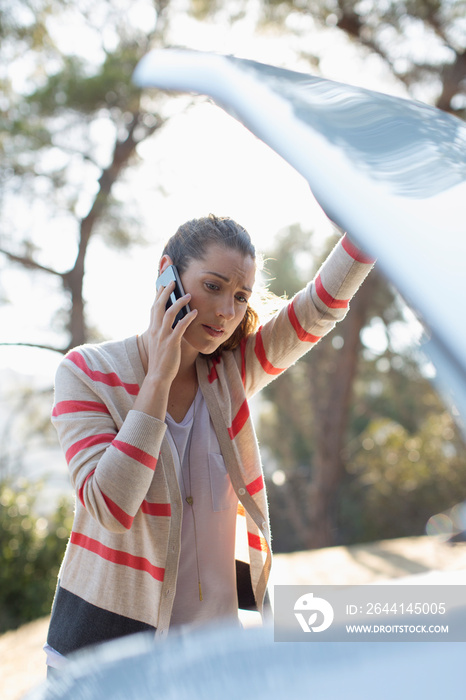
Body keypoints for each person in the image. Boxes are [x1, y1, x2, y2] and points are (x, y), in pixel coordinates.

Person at [44, 214, 374, 672]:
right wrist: (158, 377)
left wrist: (369, 223)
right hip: (106, 663)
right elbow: (112, 508)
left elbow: (315, 310)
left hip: (215, 657)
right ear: (168, 275)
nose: (227, 312)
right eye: (213, 286)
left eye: (240, 297)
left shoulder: (229, 375)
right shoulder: (85, 373)